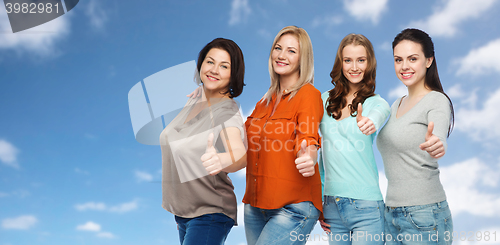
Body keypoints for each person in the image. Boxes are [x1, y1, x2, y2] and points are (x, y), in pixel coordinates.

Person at [160, 37, 247, 245]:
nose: (214, 70)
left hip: (211, 212)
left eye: (224, 66)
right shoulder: (196, 99)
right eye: (210, 62)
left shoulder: (227, 111)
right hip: (184, 213)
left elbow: (241, 154)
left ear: (233, 74)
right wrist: (203, 91)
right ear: (201, 64)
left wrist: (223, 159)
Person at [243, 26, 323, 245]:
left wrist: (309, 154)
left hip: (293, 206)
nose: (281, 55)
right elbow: (244, 144)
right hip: (255, 205)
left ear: (302, 58)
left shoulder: (308, 94)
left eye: (291, 51)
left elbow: (307, 135)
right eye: (278, 48)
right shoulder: (262, 103)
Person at [376, 28, 454, 245]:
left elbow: (438, 136)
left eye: (412, 58)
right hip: (390, 213)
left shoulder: (437, 101)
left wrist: (438, 144)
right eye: (398, 60)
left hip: (424, 215)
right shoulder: (395, 105)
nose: (404, 66)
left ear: (428, 60)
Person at [318, 34, 390, 245]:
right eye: (348, 60)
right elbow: (320, 152)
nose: (354, 67)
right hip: (331, 205)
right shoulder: (323, 100)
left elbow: (379, 114)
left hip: (366, 206)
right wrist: (320, 199)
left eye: (361, 60)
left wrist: (370, 122)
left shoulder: (376, 103)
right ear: (340, 64)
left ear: (369, 64)